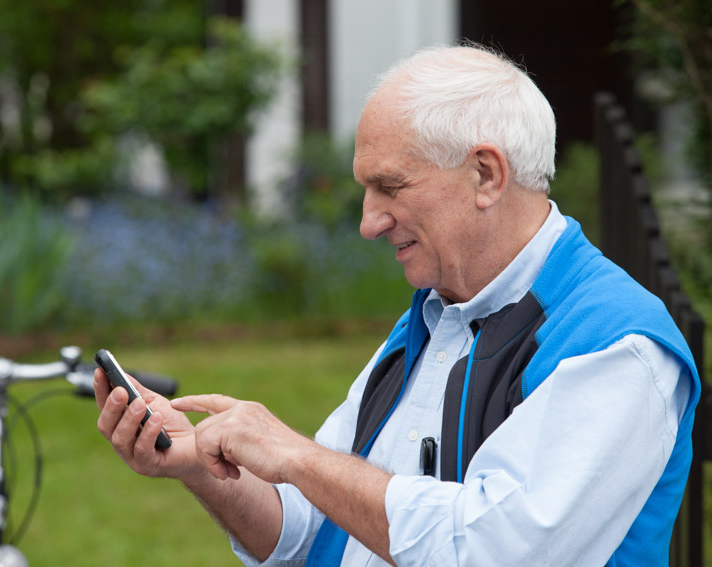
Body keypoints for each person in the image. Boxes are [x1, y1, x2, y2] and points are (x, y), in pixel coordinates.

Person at [95, 43, 700, 567]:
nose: (368, 222)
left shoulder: (619, 345)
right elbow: (311, 526)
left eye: (389, 186)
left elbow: (495, 552)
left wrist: (299, 457)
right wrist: (198, 465)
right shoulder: (439, 312)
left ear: (486, 175)